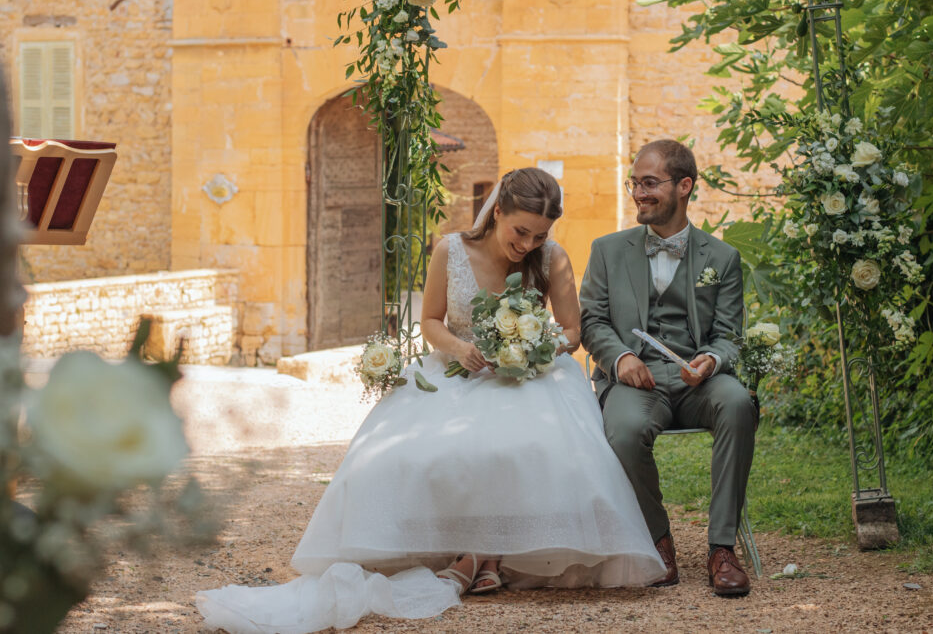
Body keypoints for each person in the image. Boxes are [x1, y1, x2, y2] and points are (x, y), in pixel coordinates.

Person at [197, 168, 665, 633]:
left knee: (524, 447)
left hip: (533, 376)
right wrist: (464, 349)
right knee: (412, 455)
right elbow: (432, 322)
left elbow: (572, 331)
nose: (527, 245)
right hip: (460, 368)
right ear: (497, 211)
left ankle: (482, 554)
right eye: (520, 232)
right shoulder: (451, 250)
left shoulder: (552, 258)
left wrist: (533, 348)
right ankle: (475, 551)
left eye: (538, 236)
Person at [579, 139, 758, 596]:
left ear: (684, 186)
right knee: (621, 429)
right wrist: (620, 358)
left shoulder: (722, 259)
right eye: (634, 183)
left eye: (650, 183)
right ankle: (658, 541)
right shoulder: (607, 250)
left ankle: (721, 548)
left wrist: (712, 359)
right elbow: (593, 321)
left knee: (738, 403)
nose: (638, 192)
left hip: (699, 384)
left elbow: (729, 336)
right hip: (635, 383)